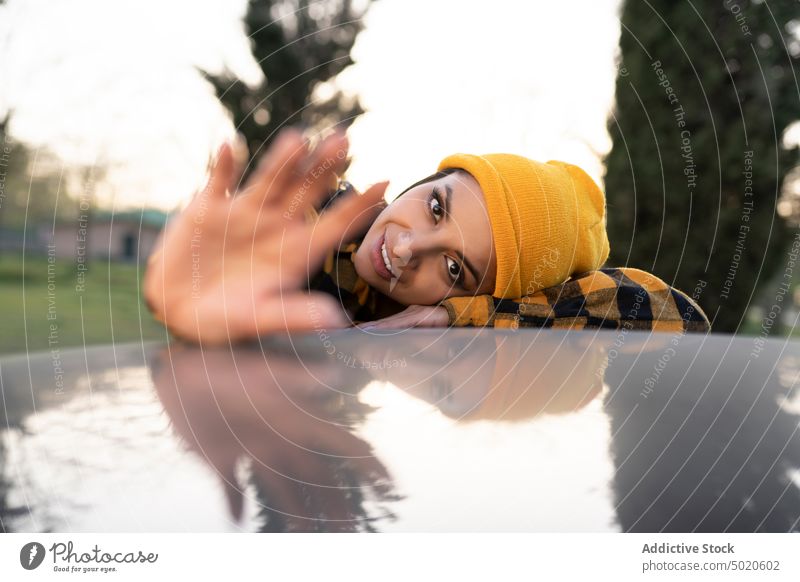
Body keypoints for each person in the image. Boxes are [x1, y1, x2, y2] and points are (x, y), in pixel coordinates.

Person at [143, 127, 711, 344]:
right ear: (425, 180)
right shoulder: (306, 234)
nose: (409, 249)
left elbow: (675, 316)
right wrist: (184, 284)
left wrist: (468, 315)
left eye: (456, 268)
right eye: (435, 206)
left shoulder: (461, 331)